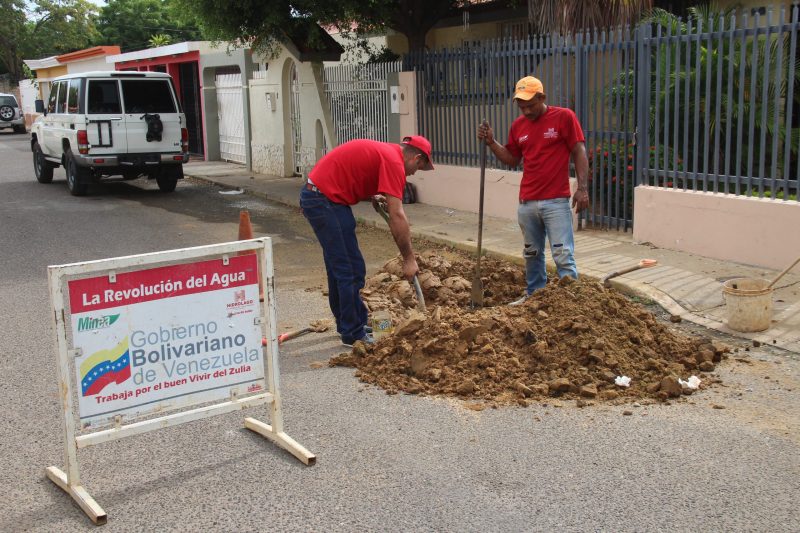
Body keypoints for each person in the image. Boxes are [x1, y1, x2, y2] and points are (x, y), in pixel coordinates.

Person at [300, 136, 434, 346]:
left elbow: (357, 172)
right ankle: (352, 333)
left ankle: (349, 323)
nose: (414, 173)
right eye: (418, 167)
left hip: (323, 197)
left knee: (341, 267)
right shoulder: (394, 162)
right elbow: (397, 216)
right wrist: (409, 259)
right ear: (416, 158)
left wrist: (373, 194)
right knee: (350, 269)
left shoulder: (390, 153)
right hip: (324, 200)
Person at [477, 76, 589, 305]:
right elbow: (512, 159)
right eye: (522, 106)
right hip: (527, 203)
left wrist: (582, 187)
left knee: (563, 254)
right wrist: (491, 142)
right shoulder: (518, 126)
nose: (526, 111)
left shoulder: (564, 117)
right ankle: (534, 296)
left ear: (542, 97)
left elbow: (579, 150)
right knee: (531, 254)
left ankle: (572, 305)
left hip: (556, 201)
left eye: (530, 105)